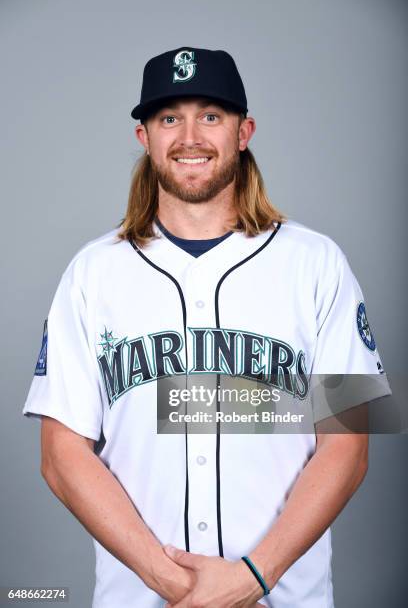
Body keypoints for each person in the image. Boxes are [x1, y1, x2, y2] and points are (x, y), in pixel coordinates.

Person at [23, 46, 392, 608]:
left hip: (284, 598)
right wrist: (175, 584)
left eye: (210, 116)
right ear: (145, 138)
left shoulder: (320, 263)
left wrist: (252, 578)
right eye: (170, 117)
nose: (190, 136)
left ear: (244, 132)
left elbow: (350, 444)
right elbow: (60, 455)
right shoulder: (90, 272)